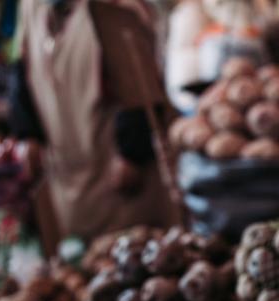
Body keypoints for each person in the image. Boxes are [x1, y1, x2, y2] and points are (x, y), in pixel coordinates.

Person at [10, 0, 180, 242]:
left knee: (136, 250)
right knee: (84, 257)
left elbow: (140, 81)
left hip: (116, 166)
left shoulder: (112, 7)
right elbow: (21, 67)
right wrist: (28, 133)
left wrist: (131, 152)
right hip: (67, 165)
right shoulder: (31, 7)